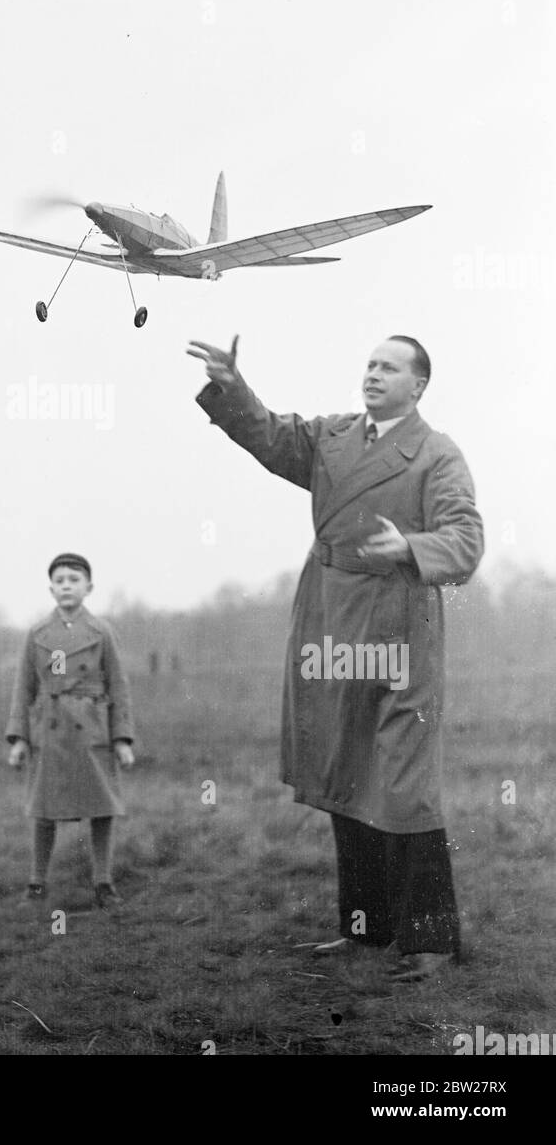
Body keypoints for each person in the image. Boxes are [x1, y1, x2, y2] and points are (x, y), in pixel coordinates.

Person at [187, 334, 484, 982]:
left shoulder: (436, 455)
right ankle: (366, 930)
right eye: (370, 364)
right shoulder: (332, 437)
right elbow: (270, 439)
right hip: (329, 622)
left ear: (418, 386)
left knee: (403, 788)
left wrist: (408, 547)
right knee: (345, 776)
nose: (374, 375)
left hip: (399, 631)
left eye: (389, 368)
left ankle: (429, 940)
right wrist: (231, 386)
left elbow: (464, 542)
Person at [6, 553, 135, 909]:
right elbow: (23, 688)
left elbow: (118, 685)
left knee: (102, 806)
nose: (66, 585)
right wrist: (18, 739)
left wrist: (122, 739)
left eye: (74, 579)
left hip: (92, 729)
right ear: (51, 589)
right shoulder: (36, 634)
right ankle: (36, 883)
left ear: (88, 588)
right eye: (60, 579)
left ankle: (103, 882)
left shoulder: (102, 632)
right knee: (44, 809)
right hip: (49, 730)